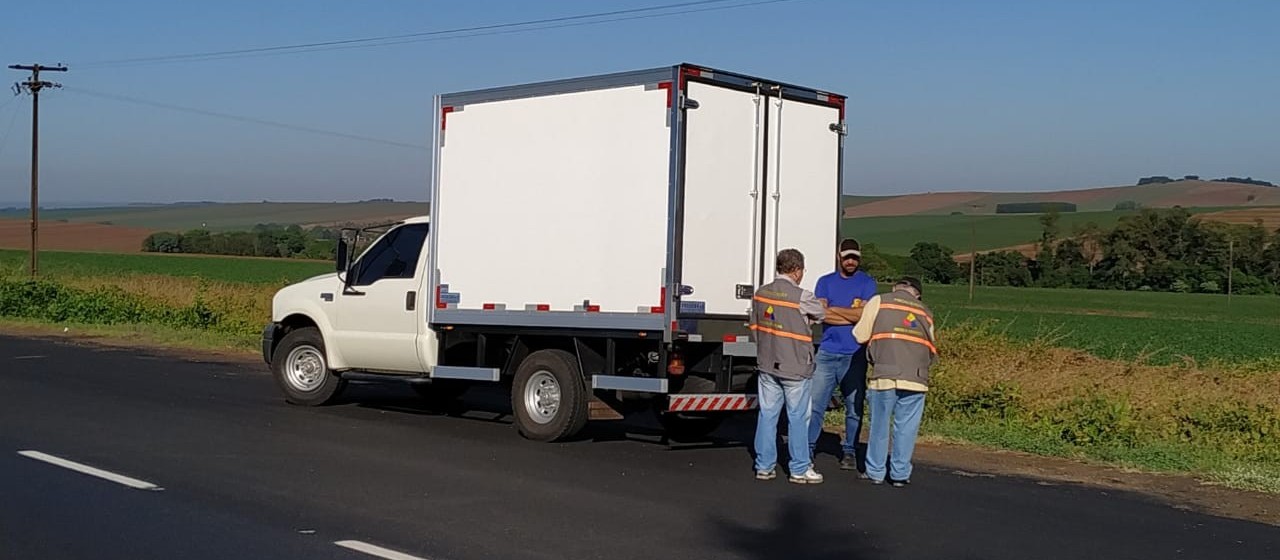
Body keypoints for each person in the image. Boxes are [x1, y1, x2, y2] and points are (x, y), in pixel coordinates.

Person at [852, 276, 937, 487]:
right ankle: (900, 474)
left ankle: (876, 472)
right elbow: (932, 347)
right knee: (907, 428)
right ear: (917, 294)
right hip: (917, 378)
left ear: (894, 288)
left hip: (885, 375)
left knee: (880, 426)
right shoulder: (925, 311)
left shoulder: (880, 301)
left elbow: (860, 335)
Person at [751, 248, 826, 484]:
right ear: (796, 270)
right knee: (798, 417)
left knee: (767, 414)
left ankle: (764, 466)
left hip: (767, 362)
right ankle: (800, 468)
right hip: (795, 366)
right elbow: (820, 314)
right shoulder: (802, 295)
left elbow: (754, 326)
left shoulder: (761, 294)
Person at [808, 238, 878, 471]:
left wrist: (835, 310)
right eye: (847, 257)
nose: (851, 261)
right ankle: (808, 448)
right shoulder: (825, 281)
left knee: (854, 407)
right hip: (827, 352)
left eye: (855, 258)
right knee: (816, 404)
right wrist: (850, 313)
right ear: (839, 256)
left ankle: (849, 450)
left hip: (855, 353)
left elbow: (864, 316)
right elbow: (820, 314)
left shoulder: (867, 283)